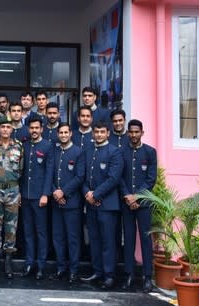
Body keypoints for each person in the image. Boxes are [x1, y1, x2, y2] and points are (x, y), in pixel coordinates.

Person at [81, 121, 123, 289]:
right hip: (91, 204)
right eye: (96, 131)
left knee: (108, 242)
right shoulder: (88, 151)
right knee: (95, 241)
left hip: (108, 205)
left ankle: (109, 275)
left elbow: (114, 178)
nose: (98, 134)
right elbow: (83, 177)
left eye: (102, 132)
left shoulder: (115, 152)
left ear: (108, 134)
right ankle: (97, 272)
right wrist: (87, 194)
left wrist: (96, 194)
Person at [120, 119, 157, 293]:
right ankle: (129, 274)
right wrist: (128, 196)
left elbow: (151, 179)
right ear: (128, 133)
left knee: (145, 240)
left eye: (137, 132)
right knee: (128, 239)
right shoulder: (121, 151)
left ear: (142, 132)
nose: (134, 135)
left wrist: (137, 197)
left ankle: (148, 276)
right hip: (126, 202)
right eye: (131, 132)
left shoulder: (150, 152)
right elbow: (118, 176)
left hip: (143, 203)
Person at [0, 117, 23, 279]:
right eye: (3, 127)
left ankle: (8, 260)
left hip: (13, 190)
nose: (6, 129)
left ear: (12, 129)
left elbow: (21, 168)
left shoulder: (19, 146)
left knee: (11, 226)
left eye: (8, 127)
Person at [50, 123, 85, 284]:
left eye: (66, 132)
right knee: (58, 237)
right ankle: (60, 268)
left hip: (72, 202)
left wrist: (63, 192)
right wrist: (55, 192)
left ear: (71, 133)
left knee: (72, 238)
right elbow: (48, 174)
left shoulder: (78, 152)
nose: (63, 135)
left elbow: (79, 177)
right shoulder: (54, 150)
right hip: (56, 202)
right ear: (58, 134)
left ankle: (73, 270)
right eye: (61, 132)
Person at [20, 116, 53, 280]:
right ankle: (29, 263)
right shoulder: (24, 145)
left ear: (42, 129)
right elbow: (20, 171)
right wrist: (19, 192)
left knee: (41, 232)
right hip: (25, 196)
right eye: (31, 128)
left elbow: (49, 172)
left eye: (36, 128)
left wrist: (45, 194)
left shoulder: (47, 146)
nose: (34, 131)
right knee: (28, 232)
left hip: (40, 197)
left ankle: (41, 265)